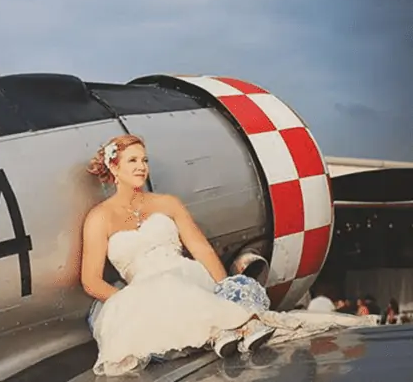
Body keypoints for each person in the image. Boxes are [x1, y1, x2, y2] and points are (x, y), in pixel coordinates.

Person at [80, 134, 376, 377]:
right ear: (114, 167)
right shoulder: (99, 218)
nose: (142, 167)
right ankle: (226, 330)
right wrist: (132, 301)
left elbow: (201, 249)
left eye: (145, 160)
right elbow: (91, 280)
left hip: (185, 274)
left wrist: (224, 288)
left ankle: (231, 325)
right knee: (162, 293)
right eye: (133, 160)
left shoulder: (167, 203)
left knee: (186, 285)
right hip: (142, 289)